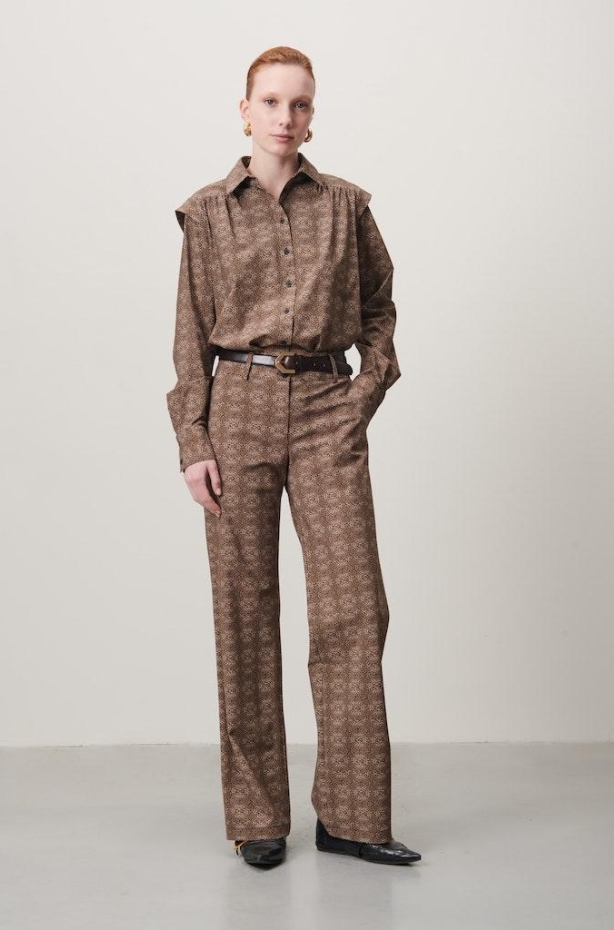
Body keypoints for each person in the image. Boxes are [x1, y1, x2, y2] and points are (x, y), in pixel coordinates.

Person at [166, 45, 421, 870]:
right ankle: (257, 816)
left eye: (300, 103)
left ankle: (352, 816)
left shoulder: (346, 206)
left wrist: (362, 393)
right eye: (271, 102)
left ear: (313, 115)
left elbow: (380, 307)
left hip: (323, 406)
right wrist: (194, 441)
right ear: (245, 112)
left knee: (354, 609)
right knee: (244, 611)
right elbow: (189, 337)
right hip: (235, 408)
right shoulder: (207, 212)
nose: (285, 116)